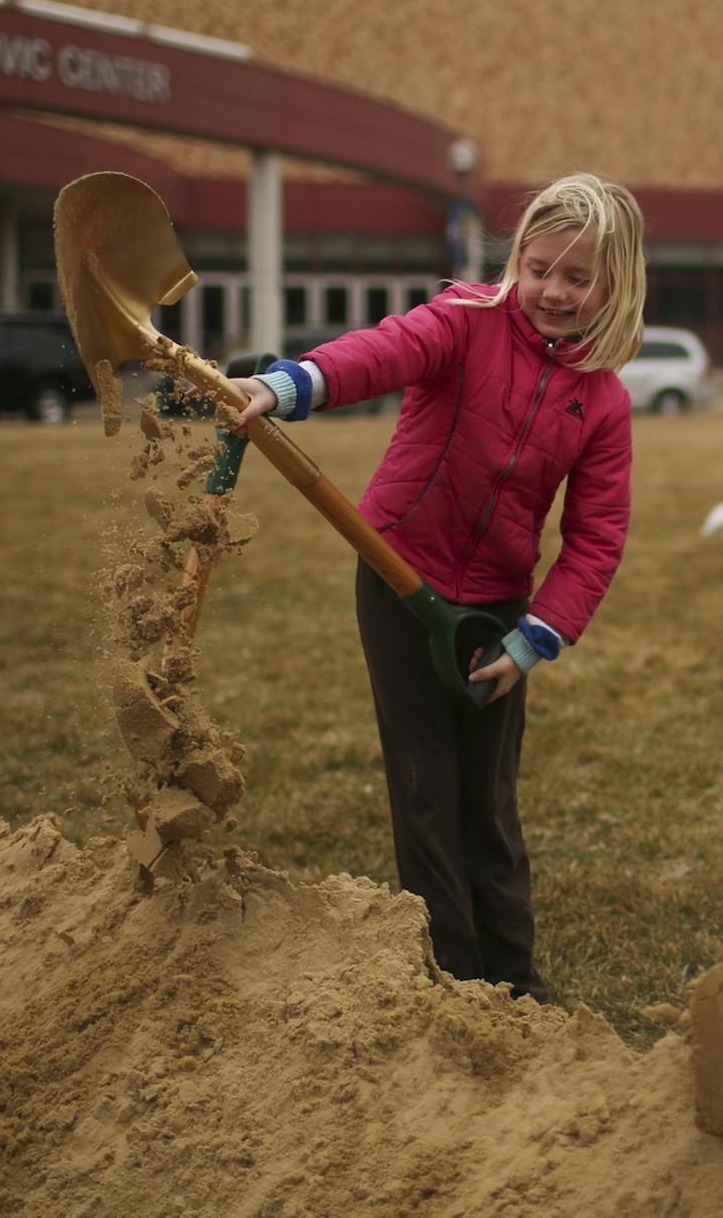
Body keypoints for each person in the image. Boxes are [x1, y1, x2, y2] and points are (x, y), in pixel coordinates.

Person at [225, 174, 644, 1004]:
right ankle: (454, 982)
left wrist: (530, 642)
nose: (553, 291)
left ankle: (516, 981)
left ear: (614, 285)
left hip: (496, 606)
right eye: (539, 267)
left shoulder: (601, 402)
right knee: (424, 787)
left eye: (577, 277)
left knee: (486, 799)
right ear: (516, 262)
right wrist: (285, 386)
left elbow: (597, 538)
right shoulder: (463, 324)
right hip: (397, 576)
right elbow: (380, 351)